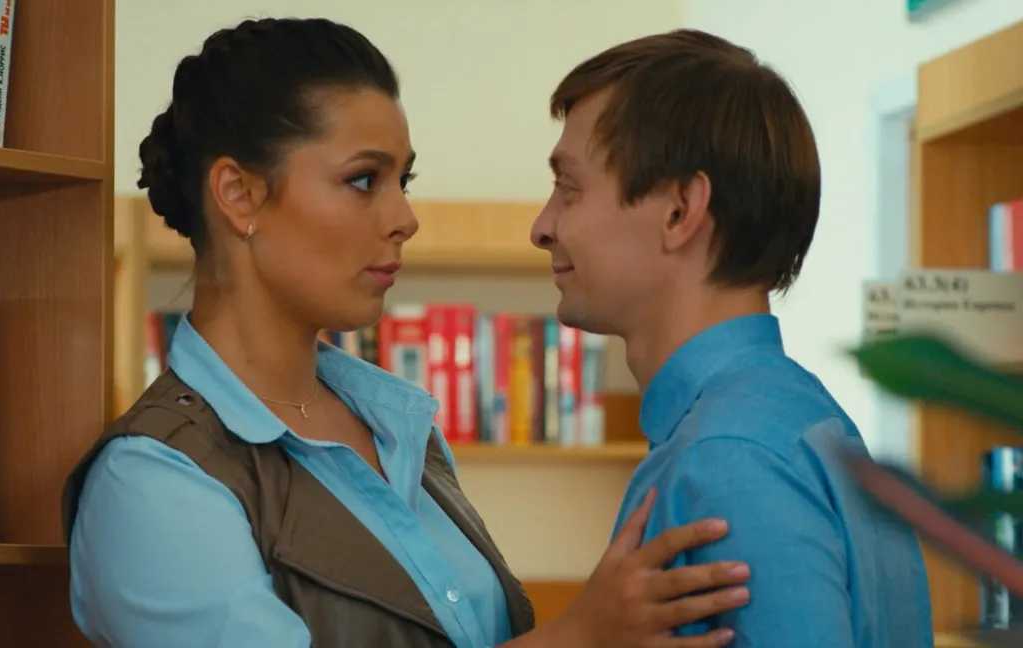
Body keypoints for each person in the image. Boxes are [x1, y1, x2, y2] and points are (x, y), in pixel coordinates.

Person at [61, 18, 754, 648]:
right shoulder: (151, 484)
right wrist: (580, 637)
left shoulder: (398, 425)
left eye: (404, 180)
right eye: (364, 180)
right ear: (239, 195)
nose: (404, 218)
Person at [530, 28, 934, 646]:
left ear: (679, 210)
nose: (542, 226)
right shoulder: (801, 423)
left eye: (569, 189)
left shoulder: (725, 457)